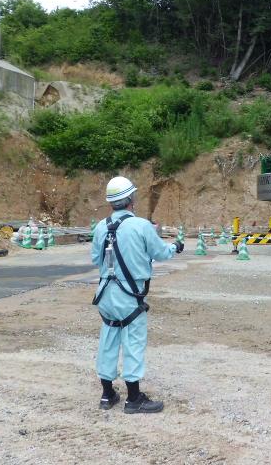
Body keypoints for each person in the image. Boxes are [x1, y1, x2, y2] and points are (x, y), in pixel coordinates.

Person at [91, 176, 184, 413]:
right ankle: (133, 399)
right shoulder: (141, 225)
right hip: (129, 294)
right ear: (131, 198)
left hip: (105, 293)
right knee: (133, 341)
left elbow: (95, 259)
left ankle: (107, 394)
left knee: (109, 339)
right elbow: (161, 253)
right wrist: (175, 247)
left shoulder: (101, 227)